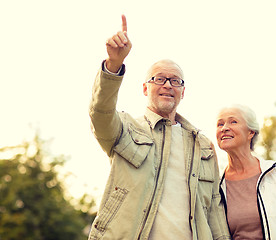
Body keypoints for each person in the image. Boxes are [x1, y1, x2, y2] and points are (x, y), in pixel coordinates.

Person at [87, 14, 230, 240]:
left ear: (183, 92)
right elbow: (100, 114)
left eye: (175, 81)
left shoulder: (203, 146)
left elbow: (214, 209)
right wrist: (114, 65)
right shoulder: (126, 129)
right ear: (145, 88)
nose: (167, 85)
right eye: (159, 79)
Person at [216, 104, 276, 240]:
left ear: (251, 132)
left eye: (233, 121)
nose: (224, 128)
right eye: (220, 124)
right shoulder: (217, 186)